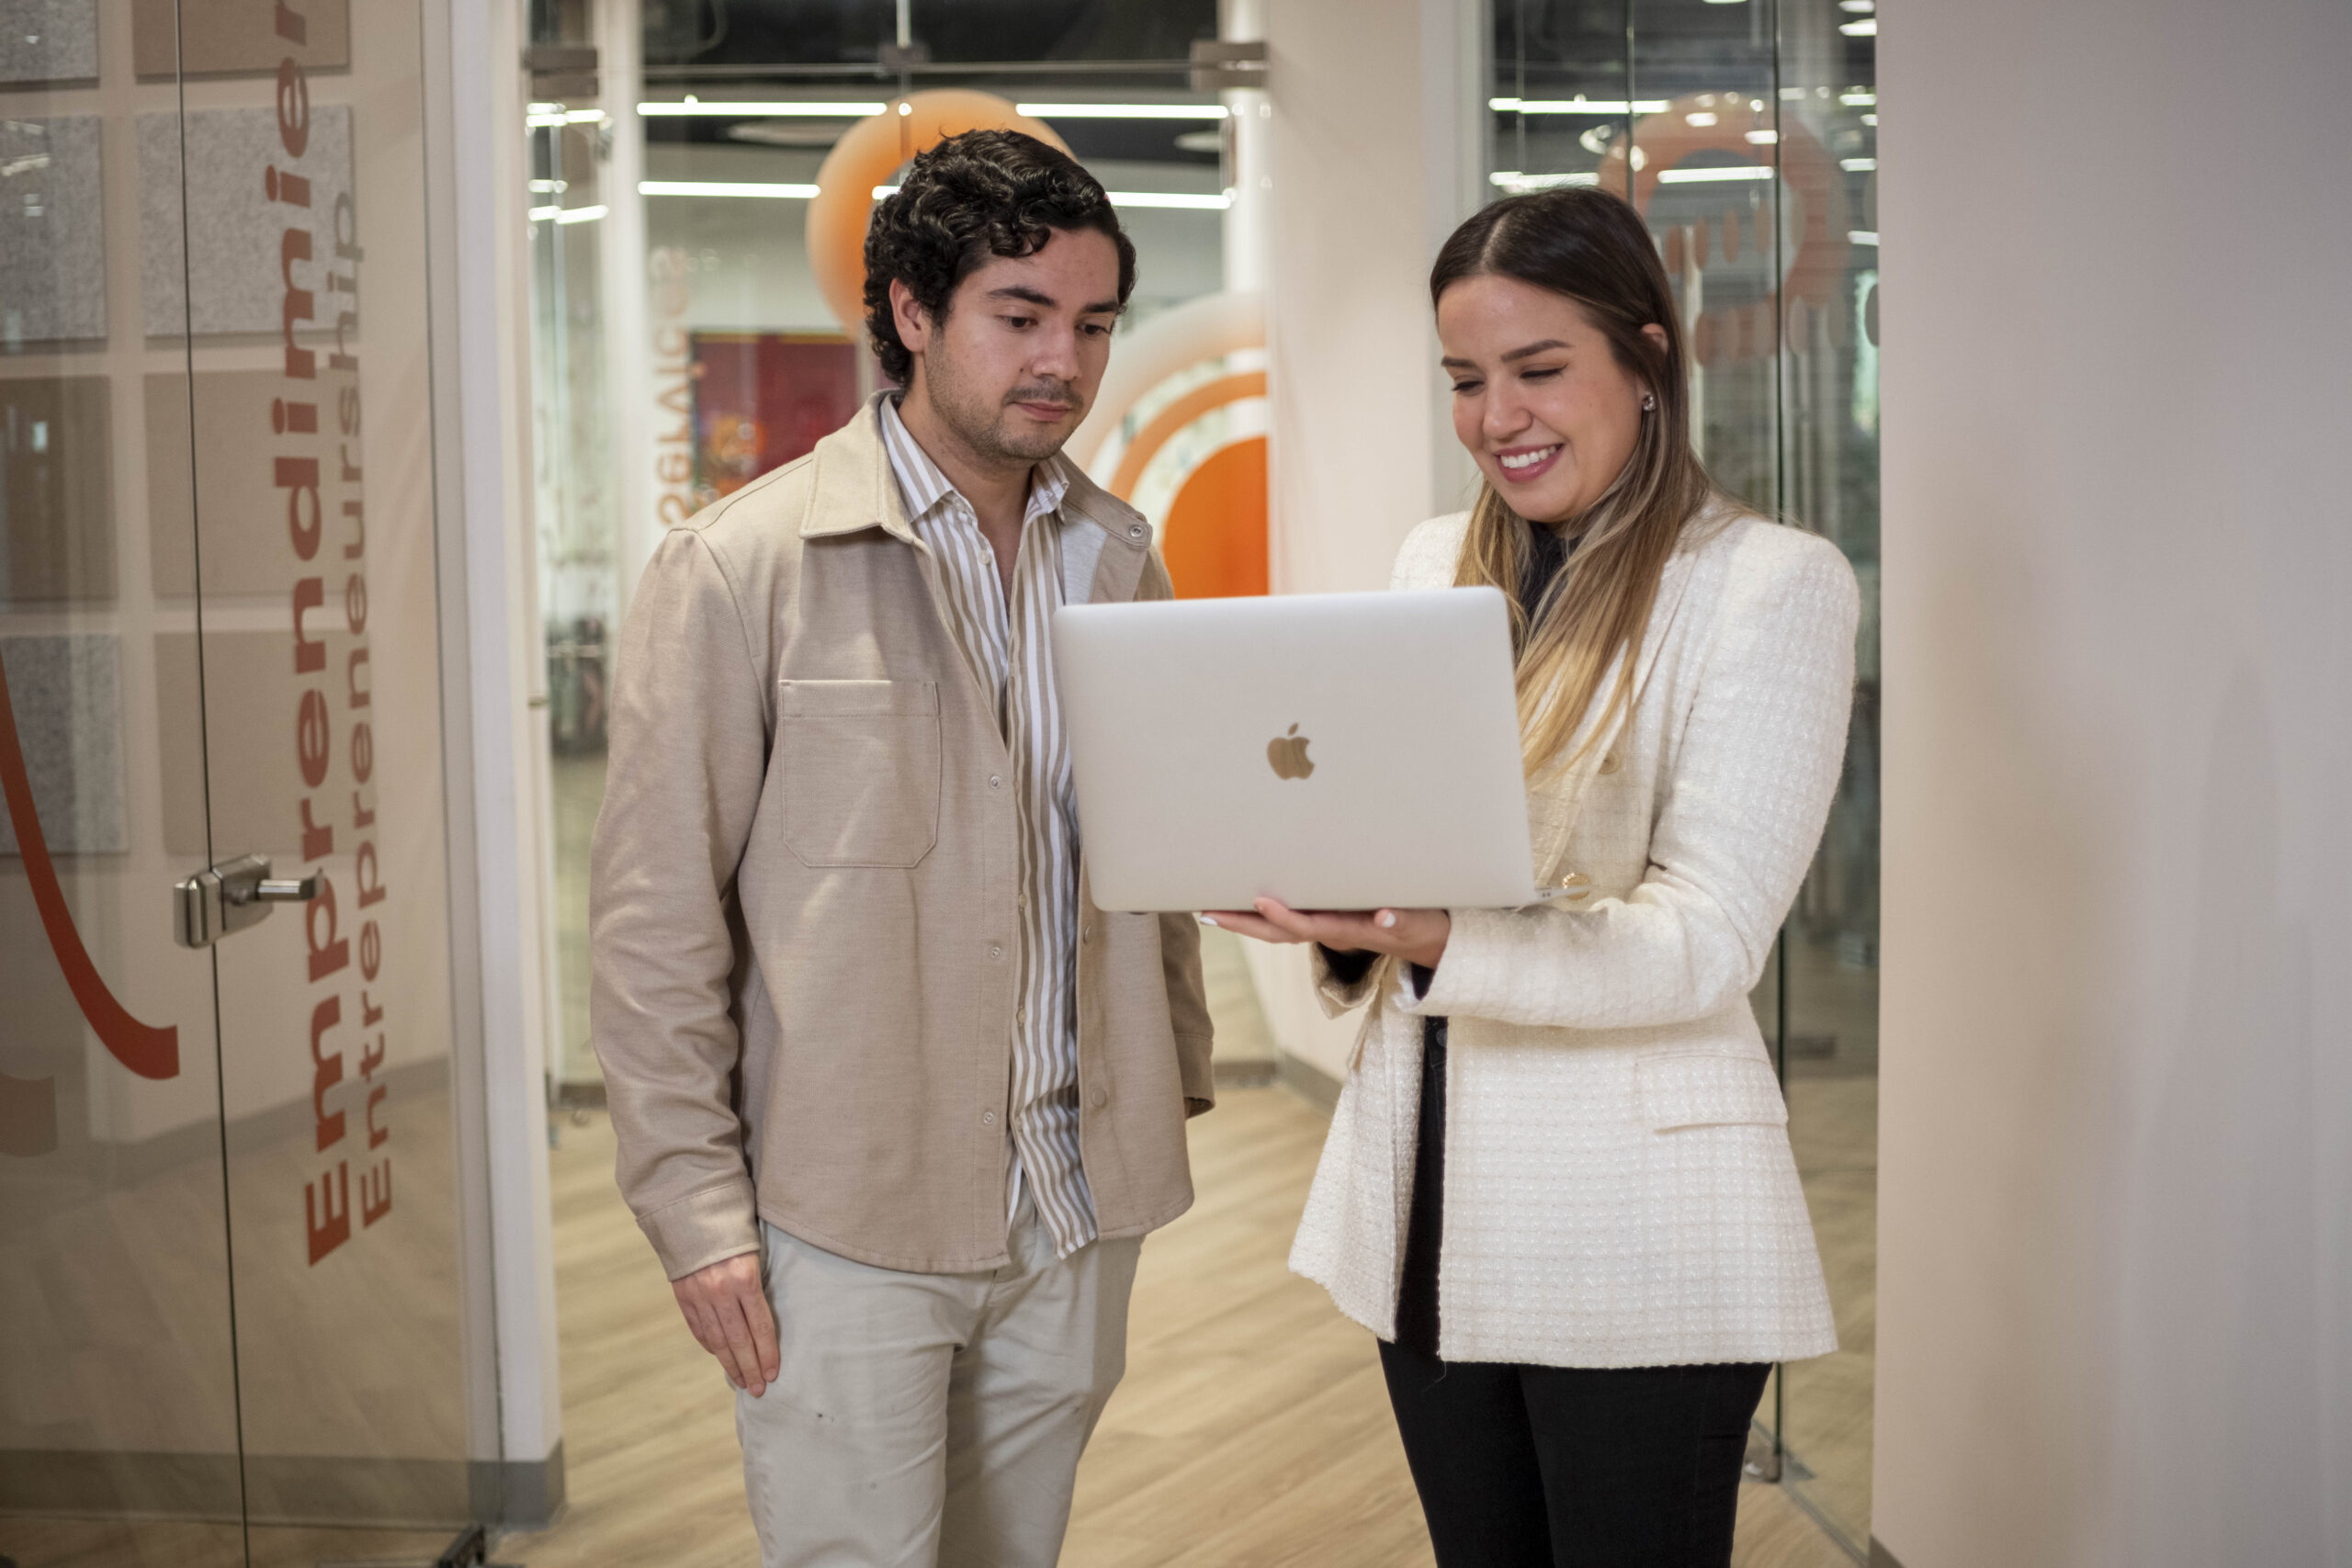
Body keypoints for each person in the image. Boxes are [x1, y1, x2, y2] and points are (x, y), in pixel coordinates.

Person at [590, 130, 1215, 1568]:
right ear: (913, 312)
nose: (1062, 360)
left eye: (1094, 324)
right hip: (845, 1214)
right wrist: (695, 1213)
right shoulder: (741, 568)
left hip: (1073, 1203)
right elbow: (653, 923)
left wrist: (1168, 1073)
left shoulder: (1119, 559)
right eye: (1021, 316)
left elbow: (1146, 860)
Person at [1207, 185, 1856, 1568]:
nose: (1498, 416)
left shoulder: (1768, 585)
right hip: (1426, 1203)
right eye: (1465, 380)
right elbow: (1402, 844)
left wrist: (1438, 932)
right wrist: (1338, 908)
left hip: (1638, 1224)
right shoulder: (1435, 563)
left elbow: (1707, 938)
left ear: (1647, 356)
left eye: (1539, 369)